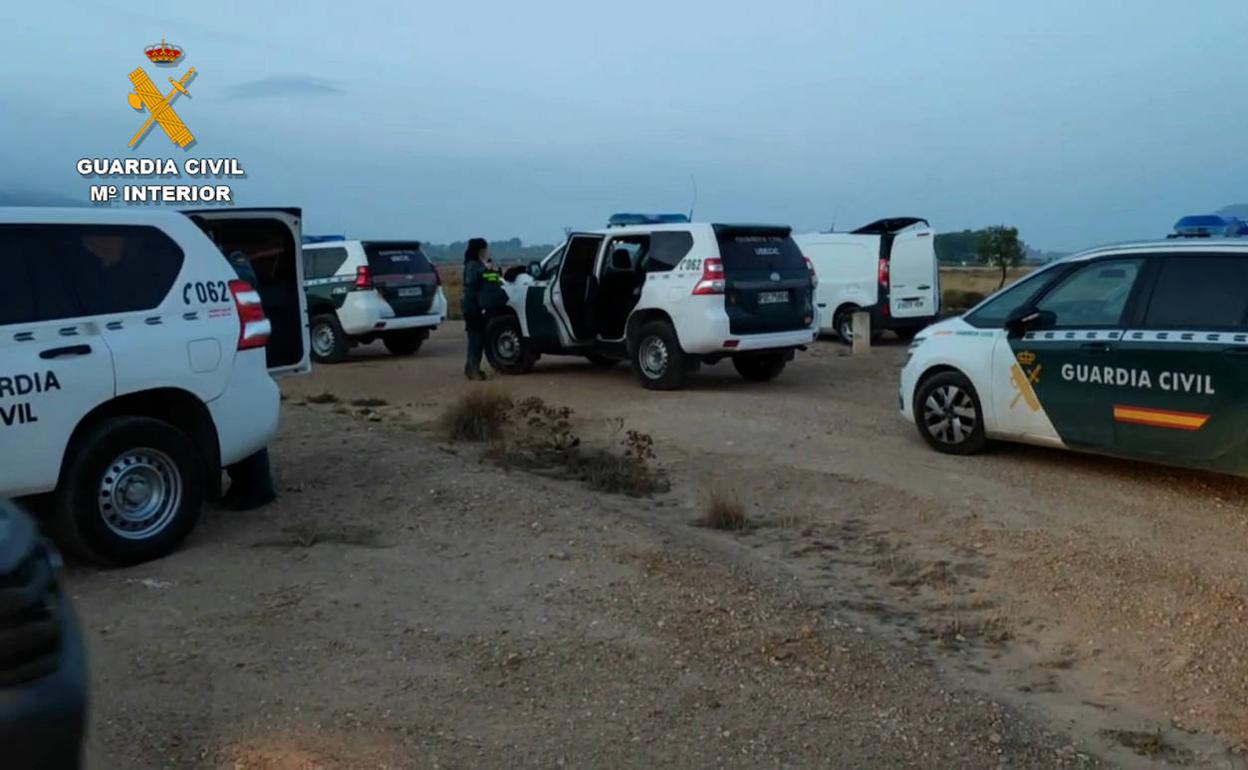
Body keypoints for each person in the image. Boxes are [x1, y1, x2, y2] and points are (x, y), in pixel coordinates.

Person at [462, 238, 495, 380]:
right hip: (472, 308)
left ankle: (472, 367)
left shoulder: (477, 264)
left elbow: (491, 280)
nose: (485, 252)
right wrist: (484, 270)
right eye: (483, 249)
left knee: (478, 340)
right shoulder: (471, 266)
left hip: (479, 306)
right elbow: (472, 282)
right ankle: (472, 369)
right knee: (475, 340)